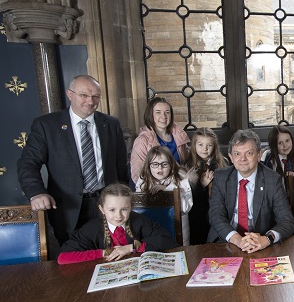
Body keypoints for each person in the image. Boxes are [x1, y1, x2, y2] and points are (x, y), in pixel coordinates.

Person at [17, 75, 128, 245]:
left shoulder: (111, 124)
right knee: (73, 261)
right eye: (84, 95)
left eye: (95, 96)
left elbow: (120, 165)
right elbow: (28, 163)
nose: (90, 101)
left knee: (111, 253)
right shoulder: (47, 125)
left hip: (108, 205)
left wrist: (123, 195)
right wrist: (37, 192)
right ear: (70, 94)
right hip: (68, 209)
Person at [207, 129, 294, 254]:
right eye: (237, 154)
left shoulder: (273, 179)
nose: (242, 159)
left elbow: (286, 221)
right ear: (231, 157)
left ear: (259, 155)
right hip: (226, 240)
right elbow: (216, 216)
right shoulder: (221, 177)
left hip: (260, 242)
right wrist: (238, 240)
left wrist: (267, 239)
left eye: (249, 153)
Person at [57, 183, 177, 265]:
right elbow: (63, 257)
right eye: (112, 210)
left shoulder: (140, 221)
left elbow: (167, 242)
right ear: (102, 209)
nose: (118, 216)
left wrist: (131, 248)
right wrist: (104, 253)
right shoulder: (91, 228)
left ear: (131, 208)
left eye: (124, 209)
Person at [135, 146, 193, 246]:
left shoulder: (181, 179)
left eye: (164, 164)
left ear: (171, 165)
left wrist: (168, 189)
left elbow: (186, 207)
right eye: (155, 164)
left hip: (178, 226)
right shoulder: (143, 181)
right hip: (153, 227)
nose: (159, 168)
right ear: (148, 166)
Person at [184, 127, 228, 245]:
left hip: (217, 210)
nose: (205, 149)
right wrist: (201, 185)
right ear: (194, 146)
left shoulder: (222, 163)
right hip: (196, 214)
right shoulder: (188, 166)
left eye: (209, 145)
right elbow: (185, 196)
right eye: (200, 145)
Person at [130, 97, 190, 183]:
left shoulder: (179, 135)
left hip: (179, 186)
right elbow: (137, 174)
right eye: (158, 112)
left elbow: (186, 164)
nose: (164, 116)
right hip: (155, 190)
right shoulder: (142, 140)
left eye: (167, 112)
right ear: (150, 115)